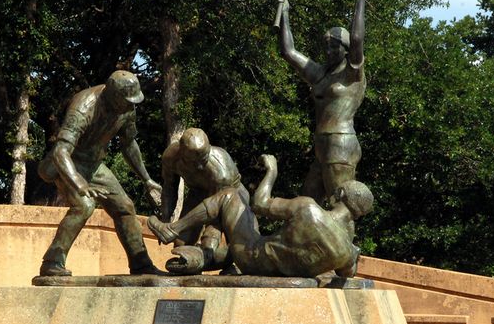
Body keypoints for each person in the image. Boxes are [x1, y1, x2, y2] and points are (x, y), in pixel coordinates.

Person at [147, 154, 372, 278]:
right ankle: (198, 258)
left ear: (338, 194)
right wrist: (351, 253)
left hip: (253, 258)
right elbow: (347, 275)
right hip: (282, 271)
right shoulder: (347, 252)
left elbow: (260, 204)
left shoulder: (308, 208)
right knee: (233, 238)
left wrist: (272, 171)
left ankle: (172, 230)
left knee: (229, 195)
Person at [37, 70, 163, 276]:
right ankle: (52, 262)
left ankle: (141, 264)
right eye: (127, 101)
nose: (132, 106)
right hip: (67, 163)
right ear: (113, 95)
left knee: (125, 206)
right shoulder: (83, 106)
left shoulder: (127, 108)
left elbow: (129, 144)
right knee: (84, 206)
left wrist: (147, 180)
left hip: (94, 165)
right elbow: (61, 151)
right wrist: (78, 182)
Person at [278, 0, 370, 204]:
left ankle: (344, 241)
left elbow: (358, 38)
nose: (328, 52)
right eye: (326, 47)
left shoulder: (352, 72)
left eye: (334, 48)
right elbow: (289, 52)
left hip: (341, 145)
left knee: (340, 205)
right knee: (305, 204)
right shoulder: (320, 74)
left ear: (346, 49)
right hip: (321, 147)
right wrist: (285, 12)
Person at [160, 128, 249, 273]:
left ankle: (234, 265)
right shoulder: (170, 157)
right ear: (182, 154)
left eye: (204, 159)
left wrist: (208, 241)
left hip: (231, 196)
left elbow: (215, 217)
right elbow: (169, 188)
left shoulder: (221, 171)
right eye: (195, 162)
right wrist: (165, 218)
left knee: (210, 248)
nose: (201, 166)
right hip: (198, 192)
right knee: (181, 243)